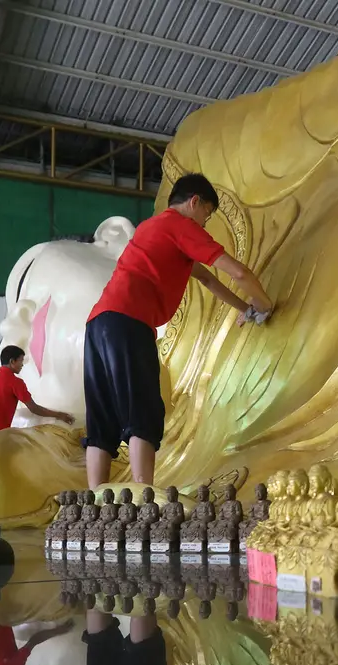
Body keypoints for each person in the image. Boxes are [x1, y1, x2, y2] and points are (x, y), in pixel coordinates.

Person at [83, 173, 273, 490]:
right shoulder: (179, 226)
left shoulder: (152, 229)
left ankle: (95, 503)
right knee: (142, 410)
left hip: (98, 323)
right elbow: (237, 271)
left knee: (101, 419)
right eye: (207, 216)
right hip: (130, 321)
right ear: (194, 202)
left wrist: (245, 309)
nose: (205, 225)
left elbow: (210, 280)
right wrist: (264, 304)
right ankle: (144, 497)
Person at [0, 345, 74, 449]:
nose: (22, 365)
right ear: (12, 361)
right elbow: (34, 408)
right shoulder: (15, 382)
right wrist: (59, 415)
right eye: (20, 361)